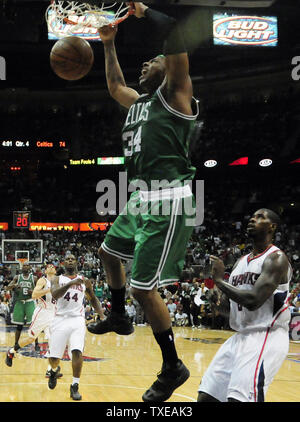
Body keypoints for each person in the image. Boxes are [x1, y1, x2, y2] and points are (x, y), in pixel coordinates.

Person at [87, 2, 199, 402]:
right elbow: (116, 86)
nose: (144, 66)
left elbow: (173, 32)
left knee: (143, 289)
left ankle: (172, 366)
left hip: (170, 200)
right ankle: (118, 316)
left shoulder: (177, 93)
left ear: (168, 67)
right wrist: (109, 44)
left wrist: (144, 10)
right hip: (141, 199)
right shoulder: (138, 102)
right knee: (107, 252)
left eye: (152, 61)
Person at [197, 208, 293, 402]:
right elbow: (230, 307)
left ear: (272, 227)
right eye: (252, 216)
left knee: (240, 399)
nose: (252, 219)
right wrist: (215, 300)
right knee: (207, 397)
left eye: (260, 217)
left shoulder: (276, 258)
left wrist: (220, 281)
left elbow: (253, 301)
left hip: (266, 336)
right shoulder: (241, 262)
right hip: (240, 336)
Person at [47, 254, 104, 401]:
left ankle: (75, 386)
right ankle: (54, 370)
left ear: (77, 262)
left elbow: (93, 299)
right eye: (68, 259)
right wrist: (70, 284)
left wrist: (102, 316)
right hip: (59, 320)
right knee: (54, 358)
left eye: (73, 258)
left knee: (77, 351)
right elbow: (55, 294)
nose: (71, 260)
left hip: (77, 320)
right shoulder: (57, 279)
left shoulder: (84, 281)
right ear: (63, 263)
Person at [5, 264, 62, 379]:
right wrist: (48, 290)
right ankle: (11, 351)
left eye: (53, 266)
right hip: (42, 312)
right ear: (45, 270)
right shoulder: (42, 280)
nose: (51, 267)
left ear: (55, 270)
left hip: (53, 314)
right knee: (31, 338)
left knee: (54, 340)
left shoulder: (59, 281)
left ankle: (50, 370)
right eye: (48, 266)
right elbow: (35, 294)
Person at [6, 262, 37, 350]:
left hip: (30, 302)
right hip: (20, 302)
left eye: (27, 265)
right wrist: (14, 286)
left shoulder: (34, 278)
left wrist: (33, 292)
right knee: (19, 326)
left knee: (34, 325)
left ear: (30, 267)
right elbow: (8, 287)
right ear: (21, 267)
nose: (25, 267)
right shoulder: (17, 277)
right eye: (24, 265)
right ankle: (16, 344)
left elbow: (40, 289)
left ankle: (37, 344)